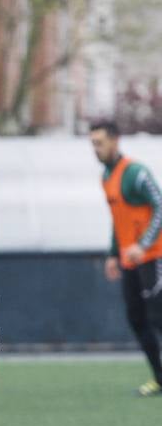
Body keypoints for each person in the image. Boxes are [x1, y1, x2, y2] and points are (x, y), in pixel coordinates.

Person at [89, 120, 162, 397]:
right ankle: (159, 377)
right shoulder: (106, 176)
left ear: (115, 141)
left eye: (100, 143)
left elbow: (160, 206)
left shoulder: (135, 173)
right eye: (92, 144)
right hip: (130, 261)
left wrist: (143, 245)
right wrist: (112, 254)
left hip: (153, 256)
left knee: (158, 316)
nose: (96, 149)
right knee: (137, 319)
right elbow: (118, 220)